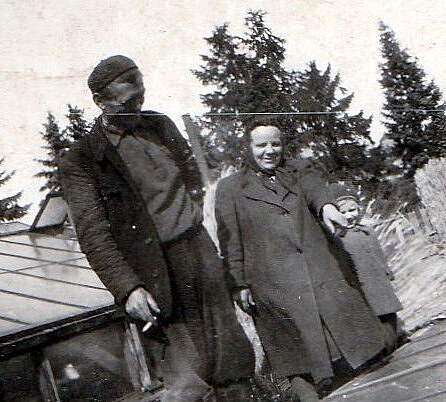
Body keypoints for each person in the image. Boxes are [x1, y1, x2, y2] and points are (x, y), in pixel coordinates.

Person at [58, 55, 255, 402]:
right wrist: (128, 288)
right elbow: (93, 234)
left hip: (199, 253)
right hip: (154, 272)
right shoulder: (82, 159)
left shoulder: (160, 126)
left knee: (231, 360)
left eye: (141, 97)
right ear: (100, 101)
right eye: (126, 103)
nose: (137, 107)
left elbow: (190, 178)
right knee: (188, 379)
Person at [215, 124, 389, 401]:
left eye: (275, 144)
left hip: (318, 268)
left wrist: (327, 207)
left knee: (359, 347)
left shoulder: (299, 170)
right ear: (248, 148)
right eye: (261, 145)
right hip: (271, 283)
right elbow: (230, 240)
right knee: (296, 355)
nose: (270, 151)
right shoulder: (230, 189)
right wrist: (239, 283)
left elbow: (315, 191)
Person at [330, 184, 403, 351]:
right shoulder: (338, 240)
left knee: (389, 313)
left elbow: (378, 253)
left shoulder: (367, 231)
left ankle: (393, 345)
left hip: (380, 283)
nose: (349, 216)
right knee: (373, 320)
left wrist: (386, 270)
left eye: (352, 210)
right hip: (362, 287)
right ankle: (383, 350)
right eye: (343, 212)